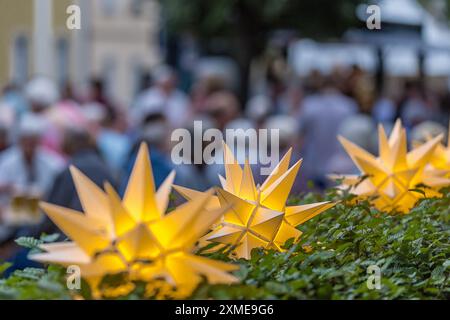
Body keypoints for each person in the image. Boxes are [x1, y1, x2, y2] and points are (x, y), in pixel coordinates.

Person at [297, 76, 357, 189]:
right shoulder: (348, 106)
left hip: (313, 164)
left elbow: (299, 137)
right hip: (341, 166)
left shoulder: (309, 105)